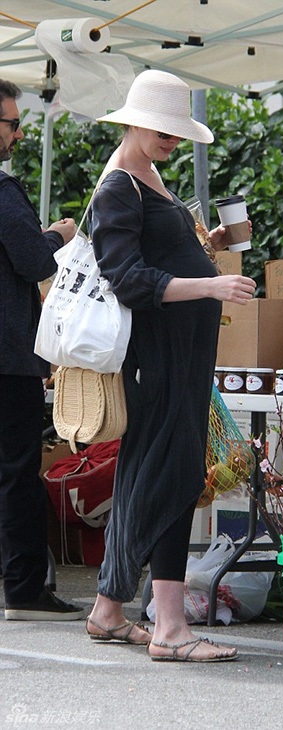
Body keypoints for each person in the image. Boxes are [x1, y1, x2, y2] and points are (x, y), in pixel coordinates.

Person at [85, 70, 256, 662]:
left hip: (174, 359)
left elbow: (153, 259)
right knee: (171, 480)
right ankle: (170, 629)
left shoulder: (145, 178)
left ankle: (110, 610)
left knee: (147, 478)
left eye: (177, 133)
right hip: (158, 360)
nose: (170, 140)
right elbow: (128, 279)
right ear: (134, 120)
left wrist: (205, 245)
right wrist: (210, 286)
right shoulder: (119, 188)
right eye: (162, 129)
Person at [0, 79, 84, 621]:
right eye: (10, 123)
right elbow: (36, 262)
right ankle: (25, 589)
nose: (19, 132)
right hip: (7, 357)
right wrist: (59, 234)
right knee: (16, 472)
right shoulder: (4, 193)